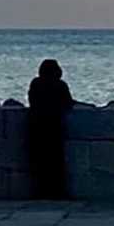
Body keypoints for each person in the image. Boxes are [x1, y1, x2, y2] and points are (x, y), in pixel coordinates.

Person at [25, 56, 73, 199]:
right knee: (55, 161)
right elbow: (68, 103)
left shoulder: (36, 83)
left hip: (36, 126)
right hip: (53, 126)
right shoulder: (60, 85)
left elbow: (32, 101)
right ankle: (57, 192)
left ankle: (40, 192)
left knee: (39, 161)